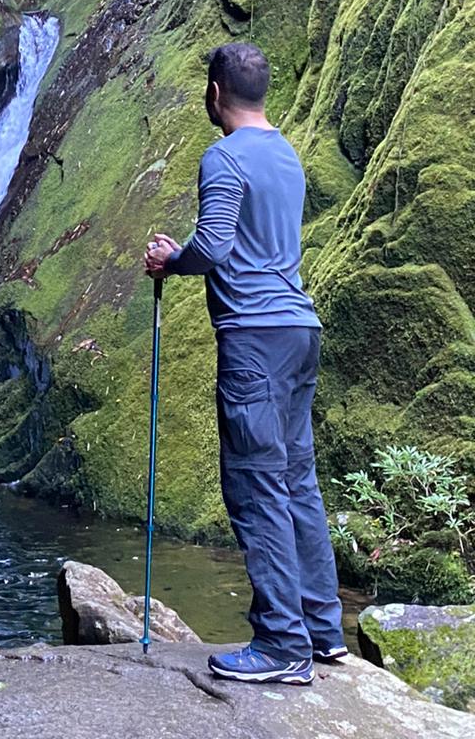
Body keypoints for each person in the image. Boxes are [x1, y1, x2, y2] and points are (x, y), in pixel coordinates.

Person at [144, 42, 345, 686]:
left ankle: (283, 646)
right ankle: (322, 630)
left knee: (257, 485)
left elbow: (215, 245)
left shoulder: (222, 157)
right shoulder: (287, 154)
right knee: (296, 480)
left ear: (214, 94)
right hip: (299, 330)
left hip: (253, 338)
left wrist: (171, 260)